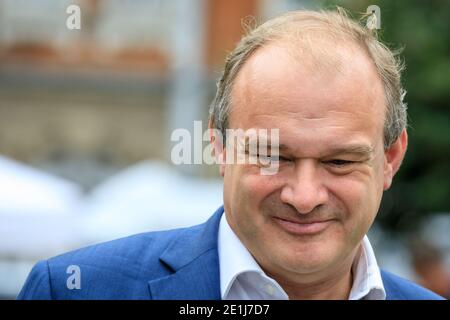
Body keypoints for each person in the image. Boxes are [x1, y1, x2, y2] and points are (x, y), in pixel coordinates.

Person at [18, 9, 444, 300]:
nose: (305, 195)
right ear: (220, 147)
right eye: (272, 156)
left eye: (339, 162)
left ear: (390, 158)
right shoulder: (80, 290)